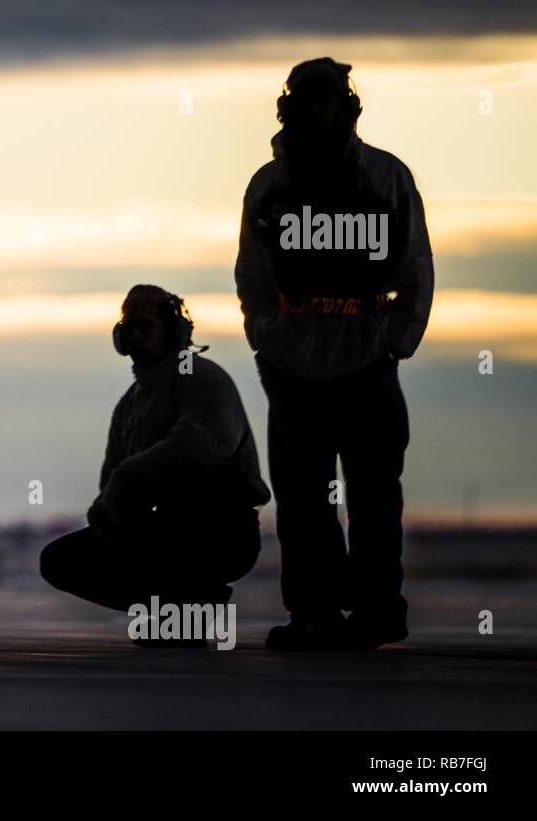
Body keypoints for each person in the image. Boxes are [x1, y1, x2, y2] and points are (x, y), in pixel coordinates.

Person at [235, 58, 433, 650]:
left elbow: (416, 267)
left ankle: (376, 614)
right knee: (301, 504)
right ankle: (314, 616)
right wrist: (267, 340)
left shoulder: (386, 178)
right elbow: (252, 273)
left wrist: (395, 342)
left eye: (326, 97)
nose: (317, 107)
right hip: (292, 367)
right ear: (289, 106)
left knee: (374, 497)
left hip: (368, 360)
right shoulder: (269, 186)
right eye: (306, 98)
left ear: (345, 105)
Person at [40, 285, 270, 646]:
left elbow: (199, 446)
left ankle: (189, 602)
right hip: (159, 529)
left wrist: (130, 474)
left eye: (145, 326)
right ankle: (173, 607)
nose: (134, 336)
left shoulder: (202, 377)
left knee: (189, 509)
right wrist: (108, 513)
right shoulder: (129, 406)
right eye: (128, 328)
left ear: (174, 331)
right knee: (60, 560)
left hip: (220, 530)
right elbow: (111, 483)